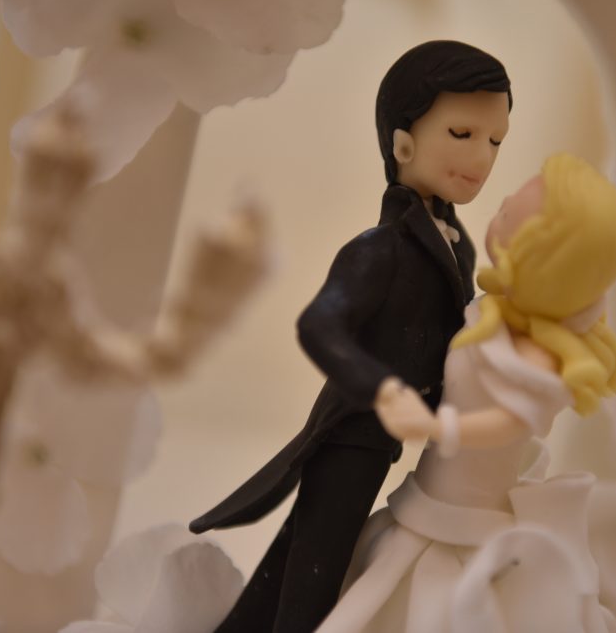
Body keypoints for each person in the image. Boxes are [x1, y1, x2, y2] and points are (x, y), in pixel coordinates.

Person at [189, 40, 512, 633]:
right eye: (462, 134)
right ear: (403, 143)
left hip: (396, 439)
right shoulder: (380, 249)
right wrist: (383, 390)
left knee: (298, 556)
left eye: (496, 141)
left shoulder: (458, 243)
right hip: (352, 436)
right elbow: (319, 325)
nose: (482, 156)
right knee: (318, 572)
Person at [316, 153, 616, 633]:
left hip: (463, 519)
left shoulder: (537, 359)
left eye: (508, 214)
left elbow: (508, 422)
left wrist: (434, 425)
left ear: (540, 255)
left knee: (428, 604)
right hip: (429, 495)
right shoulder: (497, 312)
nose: (499, 204)